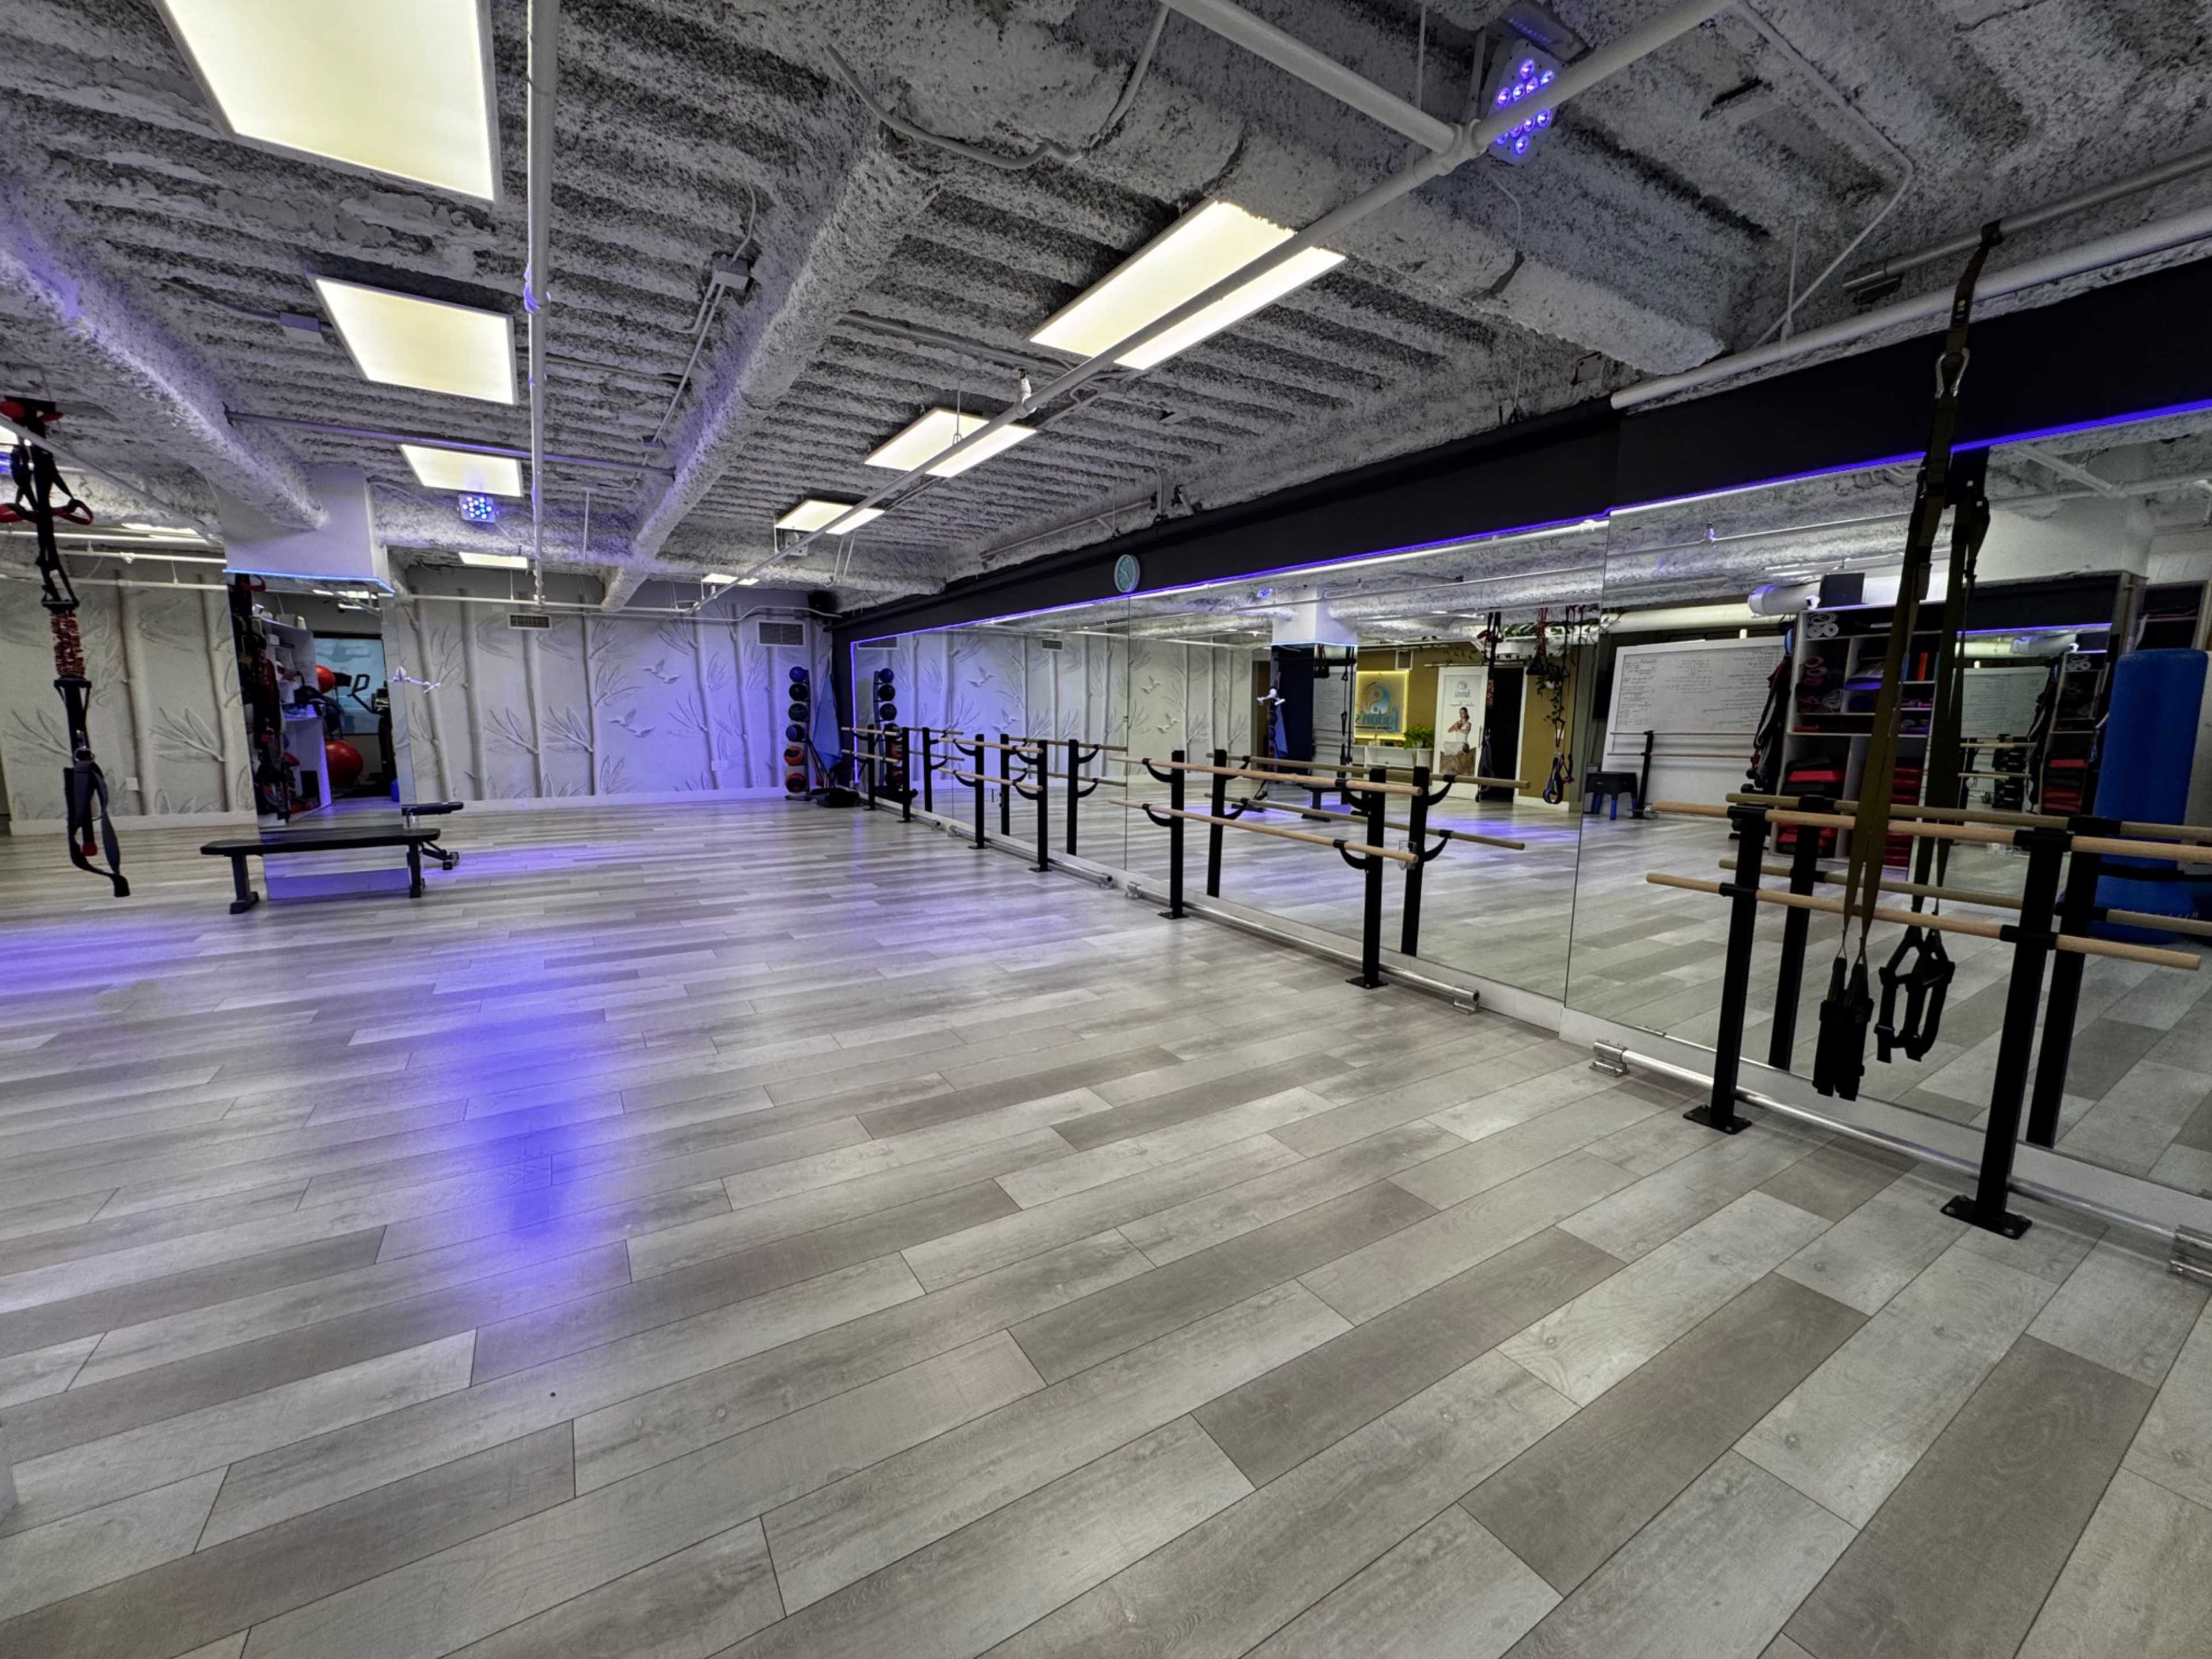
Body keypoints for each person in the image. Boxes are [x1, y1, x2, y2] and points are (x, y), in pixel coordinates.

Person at [1443, 704, 1474, 775]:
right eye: (1460, 713)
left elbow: (1467, 731)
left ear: (1466, 714)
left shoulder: (1468, 724)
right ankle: (1456, 751)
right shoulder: (1458, 723)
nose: (1461, 715)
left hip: (1464, 744)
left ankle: (1458, 751)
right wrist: (1455, 727)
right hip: (1457, 745)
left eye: (1463, 713)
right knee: (1445, 743)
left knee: (1461, 745)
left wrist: (1458, 729)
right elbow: (1449, 730)